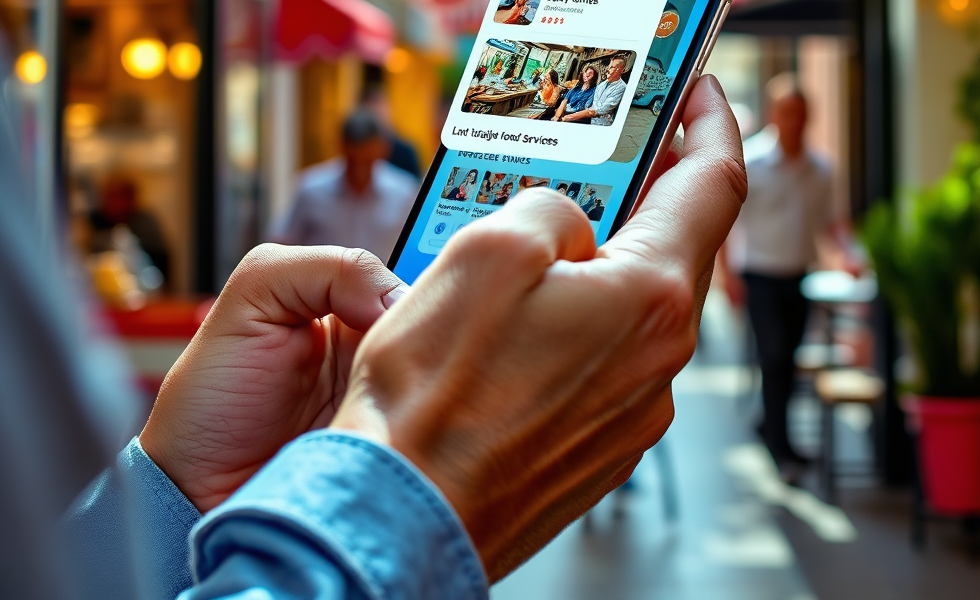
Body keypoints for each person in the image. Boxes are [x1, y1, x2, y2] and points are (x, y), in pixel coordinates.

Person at [4, 75, 746, 600]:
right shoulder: (315, 190)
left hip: (356, 344)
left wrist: (176, 489)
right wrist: (411, 492)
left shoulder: (397, 193)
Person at [721, 73, 847, 479]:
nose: (794, 120)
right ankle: (781, 452)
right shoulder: (752, 161)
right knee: (773, 358)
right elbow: (727, 223)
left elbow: (832, 223)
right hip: (759, 277)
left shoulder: (820, 168)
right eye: (787, 111)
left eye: (801, 112)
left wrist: (851, 254)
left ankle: (772, 429)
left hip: (799, 277)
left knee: (788, 362)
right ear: (775, 114)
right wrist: (727, 276)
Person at [274, 109, 419, 260]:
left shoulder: (405, 193)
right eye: (352, 161)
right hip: (321, 284)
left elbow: (415, 249)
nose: (359, 172)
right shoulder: (310, 190)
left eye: (367, 161)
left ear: (382, 150)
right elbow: (283, 242)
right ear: (341, 148)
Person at [361, 83, 422, 178]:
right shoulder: (360, 151)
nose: (378, 116)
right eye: (373, 112)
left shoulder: (406, 150)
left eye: (380, 111)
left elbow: (416, 184)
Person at [560, 56, 627, 126]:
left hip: (602, 124)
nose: (608, 69)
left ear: (621, 70)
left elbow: (599, 110)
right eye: (609, 66)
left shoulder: (621, 87)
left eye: (612, 67)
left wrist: (570, 117)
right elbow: (592, 106)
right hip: (589, 120)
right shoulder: (601, 85)